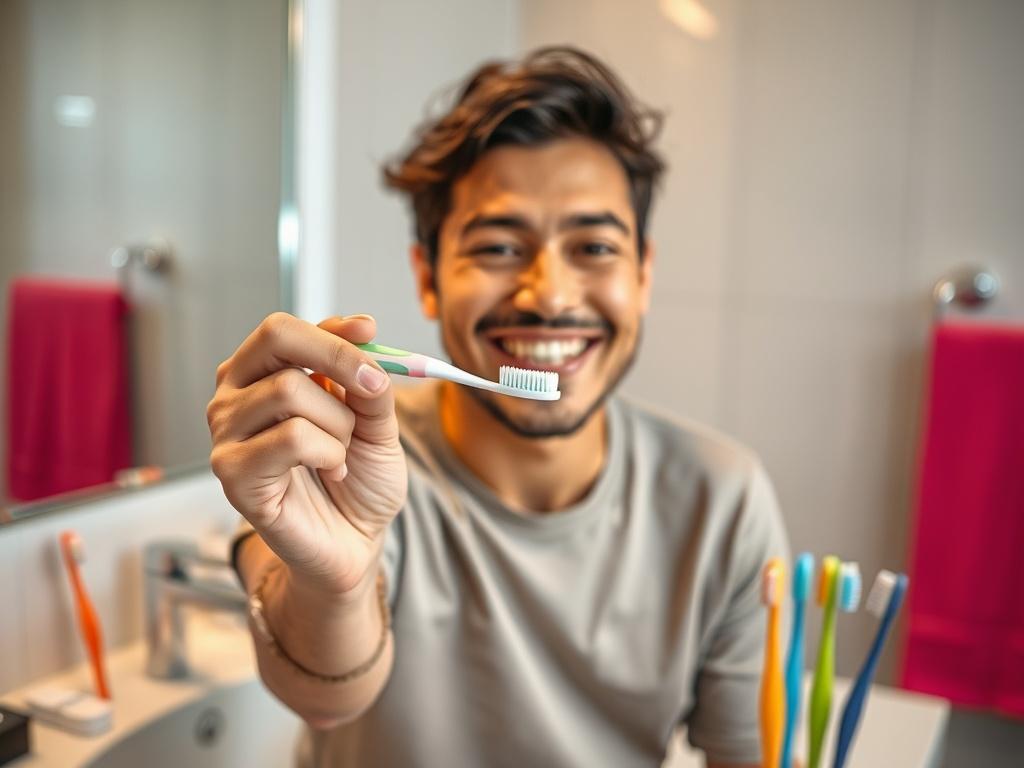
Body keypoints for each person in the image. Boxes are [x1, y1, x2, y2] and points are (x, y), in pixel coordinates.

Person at [207, 46, 788, 768]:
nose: (548, 295)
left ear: (643, 274)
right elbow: (326, 696)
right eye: (499, 246)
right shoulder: (336, 457)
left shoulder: (721, 499)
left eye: (595, 246)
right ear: (428, 277)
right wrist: (340, 584)